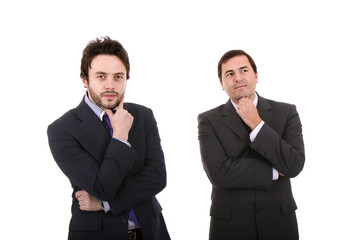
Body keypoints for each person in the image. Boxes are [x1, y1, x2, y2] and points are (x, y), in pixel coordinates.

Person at [48, 37, 170, 240]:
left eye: (118, 77)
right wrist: (121, 136)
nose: (110, 85)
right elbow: (101, 187)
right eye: (101, 76)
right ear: (85, 79)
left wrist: (106, 204)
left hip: (149, 229)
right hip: (98, 234)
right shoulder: (62, 129)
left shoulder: (143, 115)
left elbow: (157, 177)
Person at [198, 50, 305, 240]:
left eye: (244, 70)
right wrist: (274, 170)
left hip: (279, 224)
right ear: (222, 84)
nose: (238, 78)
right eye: (229, 74)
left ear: (256, 75)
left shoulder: (287, 112)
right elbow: (219, 174)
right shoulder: (209, 120)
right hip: (231, 226)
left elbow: (294, 164)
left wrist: (257, 123)